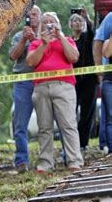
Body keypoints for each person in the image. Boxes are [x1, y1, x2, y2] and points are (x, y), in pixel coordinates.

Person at [26, 12, 83, 172]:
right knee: (44, 127)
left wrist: (61, 37)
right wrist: (44, 44)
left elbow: (74, 57)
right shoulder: (36, 43)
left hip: (64, 86)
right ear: (41, 26)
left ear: (57, 24)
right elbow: (31, 61)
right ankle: (45, 163)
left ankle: (74, 161)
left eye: (52, 22)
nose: (49, 24)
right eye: (45, 22)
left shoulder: (68, 40)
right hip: (41, 87)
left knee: (68, 125)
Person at [8, 5, 41, 172]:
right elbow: (13, 56)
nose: (32, 17)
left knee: (46, 122)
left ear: (40, 17)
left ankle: (46, 158)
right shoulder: (18, 36)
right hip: (23, 83)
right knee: (20, 124)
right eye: (29, 15)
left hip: (42, 81)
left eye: (35, 14)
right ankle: (21, 160)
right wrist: (24, 40)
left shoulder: (46, 35)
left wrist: (36, 40)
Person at [69, 10, 97, 150]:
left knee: (87, 112)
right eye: (75, 20)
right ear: (70, 24)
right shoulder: (68, 40)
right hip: (72, 81)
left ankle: (83, 143)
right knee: (70, 112)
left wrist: (87, 18)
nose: (78, 23)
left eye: (81, 20)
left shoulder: (87, 37)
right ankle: (72, 142)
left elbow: (94, 32)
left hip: (89, 80)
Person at [93, 12, 112, 152]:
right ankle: (107, 146)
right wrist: (99, 72)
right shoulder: (110, 17)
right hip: (109, 77)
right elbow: (98, 43)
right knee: (109, 116)